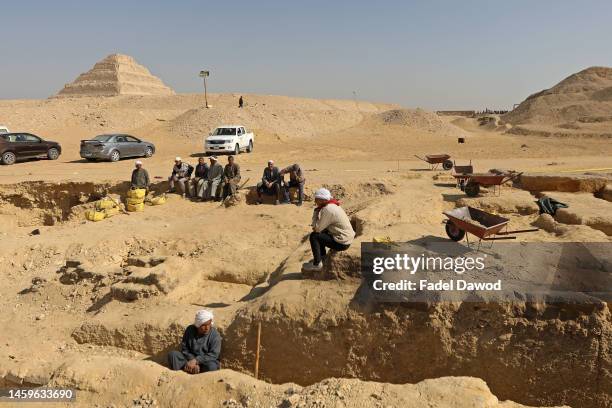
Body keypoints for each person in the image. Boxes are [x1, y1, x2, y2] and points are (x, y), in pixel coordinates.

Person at [303, 188, 355, 271]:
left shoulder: (327, 209)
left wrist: (316, 212)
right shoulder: (332, 205)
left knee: (314, 236)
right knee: (322, 232)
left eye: (316, 199)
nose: (315, 201)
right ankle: (322, 258)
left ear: (322, 200)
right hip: (347, 238)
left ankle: (317, 264)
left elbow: (316, 228)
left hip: (342, 242)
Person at [168, 310, 221, 374]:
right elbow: (185, 349)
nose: (207, 328)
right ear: (198, 325)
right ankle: (180, 375)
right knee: (173, 355)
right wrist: (192, 362)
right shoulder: (190, 330)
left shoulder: (215, 335)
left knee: (212, 366)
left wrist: (196, 361)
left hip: (205, 362)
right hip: (189, 361)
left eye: (209, 324)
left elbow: (213, 355)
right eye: (203, 325)